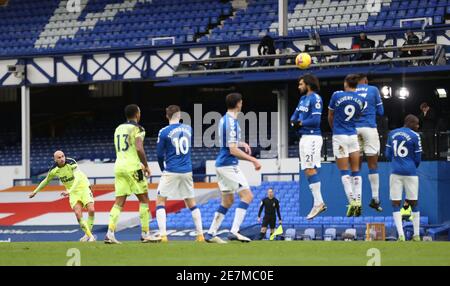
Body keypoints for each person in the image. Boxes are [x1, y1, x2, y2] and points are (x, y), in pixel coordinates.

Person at [205, 93, 262, 243]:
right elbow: (232, 150)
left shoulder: (225, 119)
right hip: (228, 165)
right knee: (247, 196)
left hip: (221, 165)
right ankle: (234, 231)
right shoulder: (231, 122)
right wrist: (253, 160)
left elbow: (229, 143)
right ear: (238, 103)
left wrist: (241, 143)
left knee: (227, 201)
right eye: (241, 102)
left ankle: (210, 233)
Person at [153, 105, 204, 243]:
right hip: (187, 170)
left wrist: (162, 169)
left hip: (171, 170)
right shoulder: (188, 129)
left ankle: (163, 235)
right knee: (191, 203)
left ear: (166, 115)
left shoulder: (163, 132)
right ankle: (200, 235)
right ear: (180, 115)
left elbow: (159, 154)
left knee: (160, 201)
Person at [105, 104, 155, 244]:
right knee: (144, 199)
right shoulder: (138, 128)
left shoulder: (118, 128)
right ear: (137, 114)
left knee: (119, 201)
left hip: (119, 166)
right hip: (133, 167)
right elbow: (139, 148)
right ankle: (145, 234)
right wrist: (145, 165)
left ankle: (110, 234)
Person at [29, 151, 95, 242]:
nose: (62, 159)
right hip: (73, 192)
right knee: (77, 213)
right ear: (55, 159)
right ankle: (90, 236)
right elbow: (46, 180)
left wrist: (69, 191)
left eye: (63, 156)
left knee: (91, 209)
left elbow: (78, 178)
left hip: (83, 187)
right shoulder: (54, 169)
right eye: (59, 157)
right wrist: (35, 191)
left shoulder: (71, 162)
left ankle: (88, 235)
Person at [328, 74, 366, 217]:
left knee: (344, 172)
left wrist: (335, 130)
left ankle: (352, 203)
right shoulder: (361, 100)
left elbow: (330, 116)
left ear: (345, 83)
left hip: (339, 136)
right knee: (356, 170)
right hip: (352, 135)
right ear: (357, 85)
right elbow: (357, 116)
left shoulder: (336, 95)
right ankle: (358, 203)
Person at [290, 73, 326, 219]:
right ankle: (318, 202)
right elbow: (294, 116)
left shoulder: (315, 98)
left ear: (308, 84)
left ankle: (319, 203)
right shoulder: (303, 99)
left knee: (310, 168)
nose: (299, 87)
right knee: (306, 170)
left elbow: (316, 120)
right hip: (303, 138)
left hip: (312, 137)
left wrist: (300, 123)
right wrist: (294, 122)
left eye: (301, 84)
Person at [385, 114, 422, 241]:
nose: (418, 126)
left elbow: (387, 154)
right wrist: (410, 165)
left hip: (395, 172)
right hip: (411, 173)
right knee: (414, 202)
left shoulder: (392, 133)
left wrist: (397, 162)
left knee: (395, 203)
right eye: (416, 123)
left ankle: (401, 235)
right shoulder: (415, 136)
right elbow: (418, 158)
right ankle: (416, 235)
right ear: (410, 123)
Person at [355, 74, 384, 212]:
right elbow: (381, 111)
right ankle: (375, 198)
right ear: (366, 80)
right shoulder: (373, 90)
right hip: (369, 127)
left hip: (354, 130)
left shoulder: (350, 91)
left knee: (356, 166)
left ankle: (356, 199)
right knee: (373, 165)